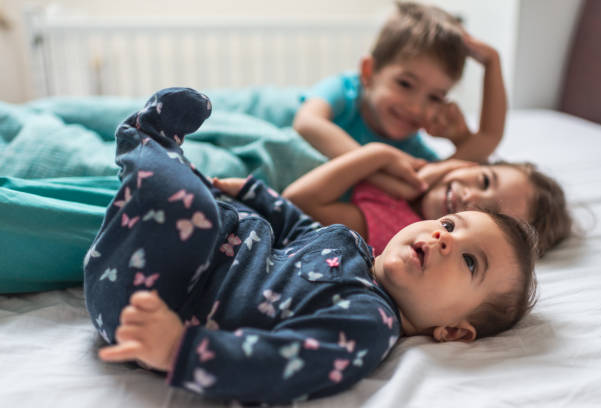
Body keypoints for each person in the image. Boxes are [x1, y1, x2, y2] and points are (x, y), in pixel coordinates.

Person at [85, 87, 537, 404]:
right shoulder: (356, 248)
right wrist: (258, 195)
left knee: (193, 209)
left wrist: (177, 350)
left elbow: (281, 364)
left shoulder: (369, 322)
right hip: (184, 253)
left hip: (158, 299)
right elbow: (301, 228)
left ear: (454, 330)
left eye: (469, 261)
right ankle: (160, 169)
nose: (442, 239)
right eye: (449, 224)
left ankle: (146, 141)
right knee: (208, 206)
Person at [294, 1, 507, 198]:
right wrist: (379, 168)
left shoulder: (411, 153)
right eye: (405, 84)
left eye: (434, 97)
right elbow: (307, 123)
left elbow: (488, 138)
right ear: (369, 72)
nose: (415, 108)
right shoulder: (347, 90)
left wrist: (492, 62)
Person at [280, 143, 572, 256]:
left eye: (485, 212)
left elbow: (295, 201)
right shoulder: (428, 170)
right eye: (484, 180)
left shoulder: (398, 228)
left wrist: (379, 154)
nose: (469, 196)